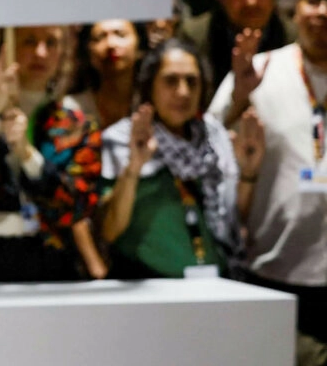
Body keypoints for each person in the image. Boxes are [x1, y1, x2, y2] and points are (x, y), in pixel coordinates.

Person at [209, 0, 327, 364]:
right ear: (294, 8)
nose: (323, 12)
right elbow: (205, 149)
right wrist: (239, 98)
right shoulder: (259, 70)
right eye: (314, 0)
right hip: (274, 271)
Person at [0, 25, 106, 282]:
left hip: (51, 262)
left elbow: (76, 207)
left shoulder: (76, 125)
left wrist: (28, 155)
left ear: (63, 52)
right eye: (29, 41)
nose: (40, 53)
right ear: (5, 47)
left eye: (51, 43)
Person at [100, 39, 263, 279]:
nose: (183, 92)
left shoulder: (215, 136)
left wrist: (248, 173)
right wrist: (134, 167)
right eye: (170, 81)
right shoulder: (123, 139)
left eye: (192, 81)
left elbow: (235, 217)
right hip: (150, 286)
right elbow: (109, 230)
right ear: (149, 86)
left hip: (217, 282)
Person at [71, 20, 144, 129]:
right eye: (100, 37)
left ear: (139, 45)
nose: (111, 44)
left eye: (120, 35)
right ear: (88, 50)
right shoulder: (71, 109)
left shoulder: (153, 104)